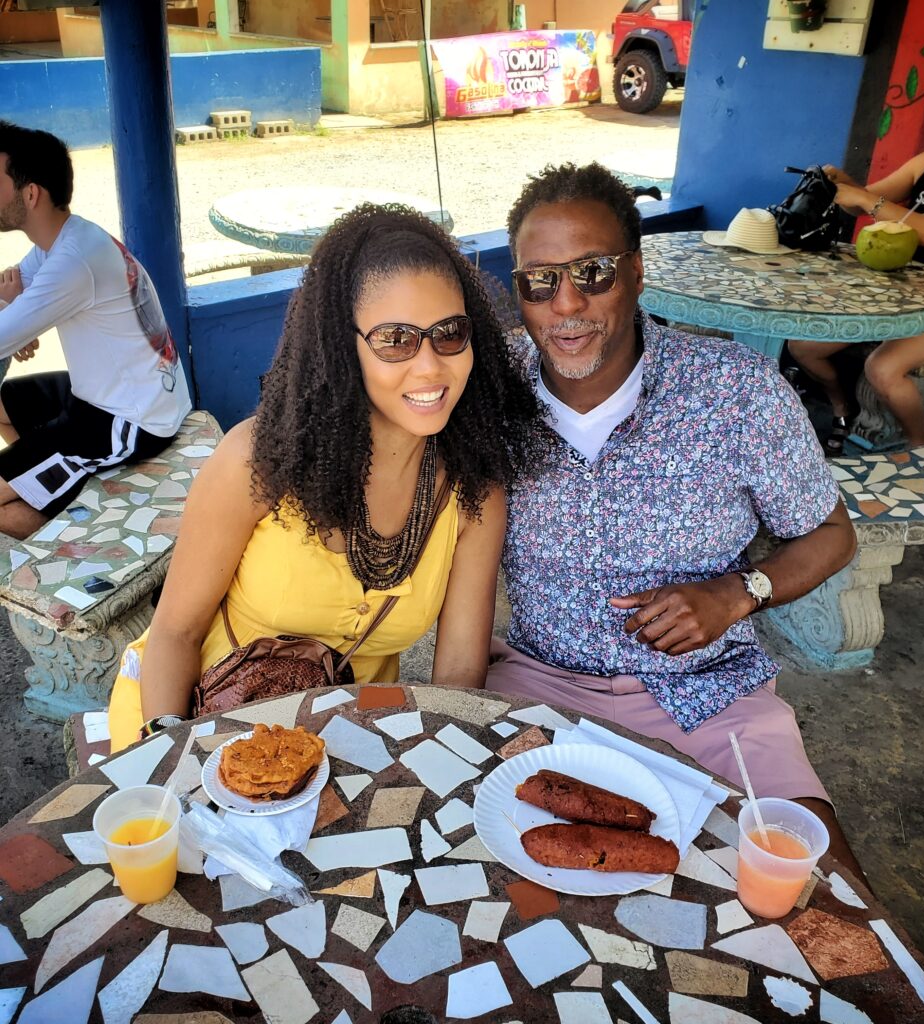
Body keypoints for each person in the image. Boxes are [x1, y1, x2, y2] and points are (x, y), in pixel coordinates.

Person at [487, 162, 864, 878]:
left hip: (712, 696)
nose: (565, 304)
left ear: (635, 273)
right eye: (540, 280)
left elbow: (829, 532)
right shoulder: (488, 392)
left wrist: (736, 593)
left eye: (592, 272)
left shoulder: (735, 391)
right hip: (538, 685)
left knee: (816, 890)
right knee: (504, 885)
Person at [107, 203, 542, 752]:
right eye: (395, 340)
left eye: (450, 334)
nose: (431, 366)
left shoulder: (474, 488)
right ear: (344, 345)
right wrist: (170, 756)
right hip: (192, 719)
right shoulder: (259, 460)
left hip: (348, 741)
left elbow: (456, 673)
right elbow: (175, 632)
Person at [0, 121, 191, 539]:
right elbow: (9, 295)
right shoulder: (65, 239)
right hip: (102, 392)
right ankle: (50, 481)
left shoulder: (72, 262)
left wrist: (15, 317)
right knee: (5, 401)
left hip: (131, 418)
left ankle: (64, 510)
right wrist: (16, 310)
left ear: (30, 194)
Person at [788, 82, 924, 452]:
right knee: (804, 345)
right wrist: (841, 183)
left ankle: (920, 448)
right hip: (904, 291)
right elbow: (864, 200)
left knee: (882, 368)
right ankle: (841, 409)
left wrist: (863, 197)